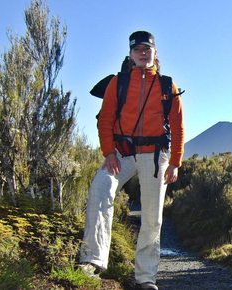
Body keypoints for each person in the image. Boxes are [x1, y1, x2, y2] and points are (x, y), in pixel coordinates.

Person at [77, 30, 184, 290]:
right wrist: (108, 153)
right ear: (130, 54)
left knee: (152, 216)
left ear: (155, 53)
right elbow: (105, 119)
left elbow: (178, 125)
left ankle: (146, 277)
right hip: (121, 154)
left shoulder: (167, 85)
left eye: (147, 49)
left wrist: (175, 162)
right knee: (100, 189)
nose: (143, 53)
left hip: (155, 155)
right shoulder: (118, 82)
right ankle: (92, 261)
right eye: (138, 50)